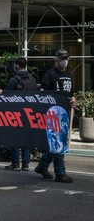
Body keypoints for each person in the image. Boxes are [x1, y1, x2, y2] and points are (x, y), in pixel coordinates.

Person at [34, 49, 76, 183]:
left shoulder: (69, 75)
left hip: (64, 113)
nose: (64, 61)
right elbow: (43, 92)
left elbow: (71, 94)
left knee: (58, 143)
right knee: (59, 143)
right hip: (53, 113)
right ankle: (60, 173)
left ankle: (42, 166)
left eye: (66, 58)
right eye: (62, 58)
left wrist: (73, 101)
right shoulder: (50, 74)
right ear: (56, 60)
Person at [4, 57, 35, 171]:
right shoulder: (32, 78)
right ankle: (26, 164)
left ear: (17, 65)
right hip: (29, 112)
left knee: (15, 138)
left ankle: (15, 163)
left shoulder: (14, 79)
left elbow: (6, 95)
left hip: (15, 113)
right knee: (25, 138)